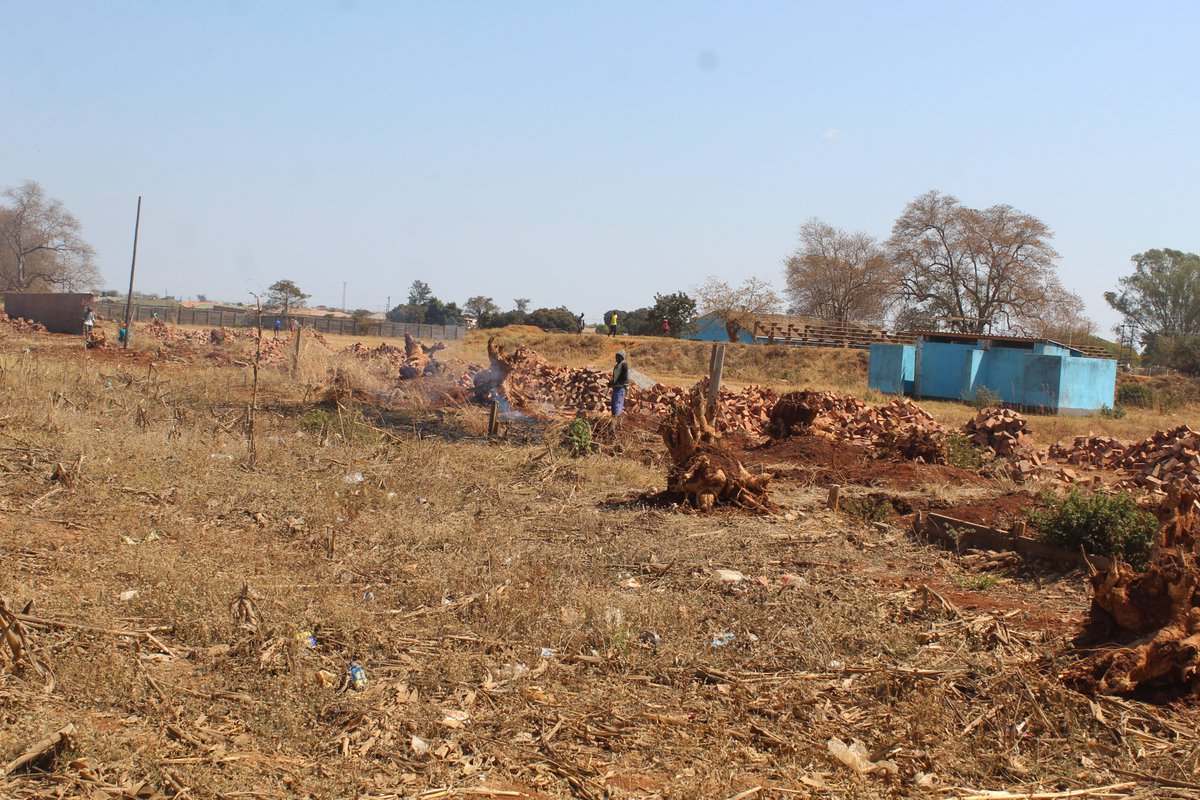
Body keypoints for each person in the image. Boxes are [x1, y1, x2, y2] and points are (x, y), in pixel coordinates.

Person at [609, 350, 629, 416]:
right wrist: (612, 382)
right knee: (613, 403)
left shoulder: (624, 365)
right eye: (616, 356)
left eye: (618, 357)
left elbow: (624, 377)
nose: (616, 358)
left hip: (621, 387)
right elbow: (615, 377)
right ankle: (614, 417)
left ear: (622, 357)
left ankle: (617, 419)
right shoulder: (617, 366)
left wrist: (617, 382)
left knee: (618, 403)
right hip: (616, 387)